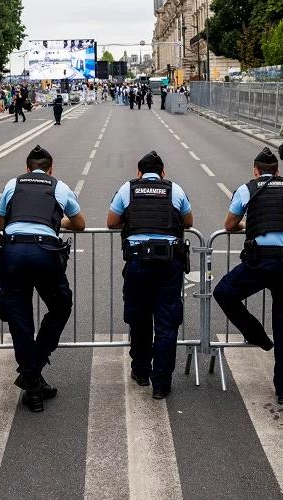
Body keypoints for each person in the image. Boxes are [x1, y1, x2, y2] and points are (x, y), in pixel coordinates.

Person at [213, 148, 283, 405]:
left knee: (224, 293)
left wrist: (251, 225)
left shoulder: (248, 189)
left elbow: (230, 225)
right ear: (277, 171)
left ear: (255, 171)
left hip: (261, 261)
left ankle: (257, 336)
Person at [0, 146, 86, 411]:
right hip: (44, 253)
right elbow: (79, 224)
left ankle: (32, 381)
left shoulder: (13, 184)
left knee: (20, 319)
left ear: (26, 168)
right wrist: (54, 224)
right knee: (60, 306)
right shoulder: (60, 187)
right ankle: (34, 371)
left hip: (12, 253)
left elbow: (1, 223)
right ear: (50, 169)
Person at [108, 151, 194, 399]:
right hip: (169, 262)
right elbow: (188, 220)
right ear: (163, 173)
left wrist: (130, 220)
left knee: (139, 318)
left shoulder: (128, 188)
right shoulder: (174, 189)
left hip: (138, 262)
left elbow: (111, 221)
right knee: (167, 323)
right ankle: (161, 384)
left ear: (138, 172)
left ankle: (141, 371)